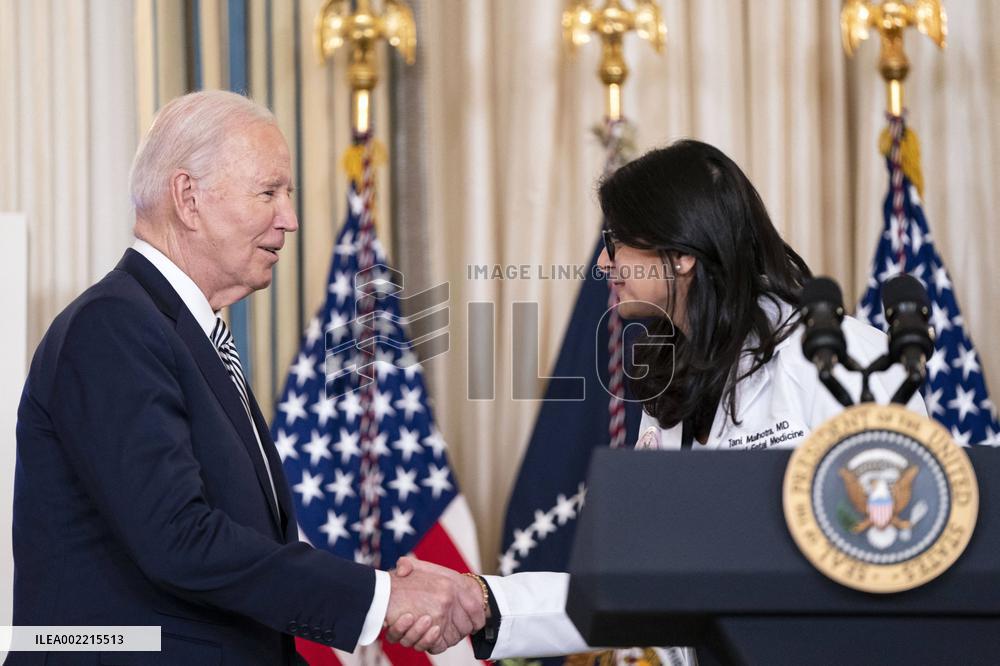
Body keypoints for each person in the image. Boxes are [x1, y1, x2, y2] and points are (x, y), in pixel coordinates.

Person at [384, 140, 927, 661]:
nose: (603, 263)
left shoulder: (837, 357)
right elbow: (632, 581)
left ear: (681, 255)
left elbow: (901, 549)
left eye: (617, 241)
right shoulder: (673, 381)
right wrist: (480, 601)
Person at [10, 90, 484, 665]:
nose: (290, 219)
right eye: (269, 192)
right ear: (188, 198)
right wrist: (382, 597)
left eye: (288, 194)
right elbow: (179, 538)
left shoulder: (182, 333)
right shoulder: (113, 325)